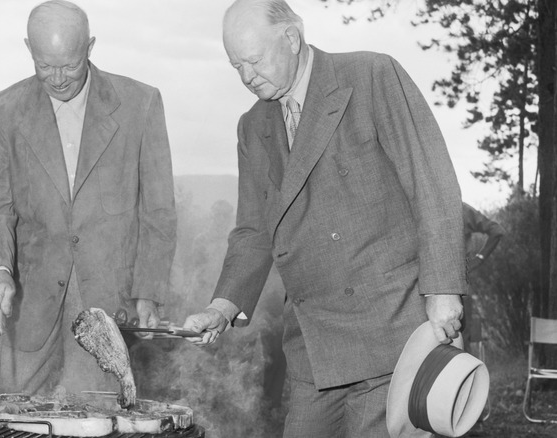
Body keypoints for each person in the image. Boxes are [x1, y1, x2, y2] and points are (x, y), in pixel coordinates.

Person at [181, 1, 467, 437]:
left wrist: (443, 289)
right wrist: (221, 307)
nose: (247, 76)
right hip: (312, 347)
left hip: (389, 329)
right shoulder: (252, 126)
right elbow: (254, 231)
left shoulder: (371, 76)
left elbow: (432, 182)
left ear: (291, 38)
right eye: (236, 66)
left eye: (254, 60)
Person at [0, 0, 177, 396]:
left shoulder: (141, 104)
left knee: (99, 416)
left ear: (90, 46)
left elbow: (159, 209)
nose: (58, 79)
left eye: (70, 65)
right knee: (13, 415)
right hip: (28, 304)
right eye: (45, 66)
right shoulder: (1, 111)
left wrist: (148, 291)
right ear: (28, 49)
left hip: (107, 303)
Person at [462, 202, 505, 355]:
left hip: (460, 288)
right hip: (425, 291)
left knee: (461, 342)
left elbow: (496, 230)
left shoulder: (460, 209)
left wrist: (479, 258)